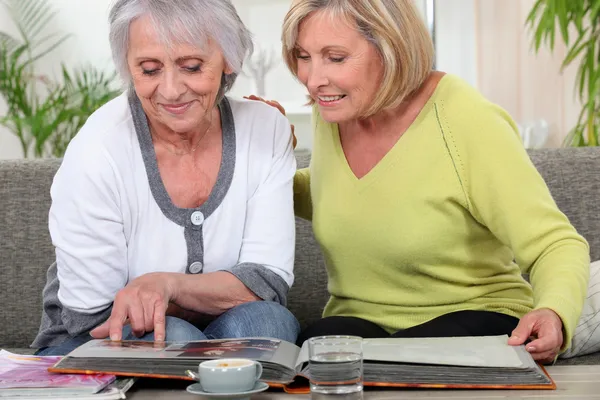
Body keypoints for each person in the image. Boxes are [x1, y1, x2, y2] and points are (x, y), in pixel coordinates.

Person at [250, 0, 590, 364]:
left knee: (409, 357)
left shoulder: (464, 117)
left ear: (390, 47)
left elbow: (554, 243)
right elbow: (342, 195)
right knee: (313, 349)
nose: (313, 79)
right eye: (304, 56)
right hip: (360, 324)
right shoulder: (335, 107)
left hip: (473, 316)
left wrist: (553, 311)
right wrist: (257, 161)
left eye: (334, 58)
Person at [31, 0, 299, 356]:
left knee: (268, 322)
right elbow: (90, 317)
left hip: (223, 329)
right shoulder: (97, 149)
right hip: (87, 344)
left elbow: (267, 284)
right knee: (172, 334)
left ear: (229, 59)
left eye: (191, 66)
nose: (171, 90)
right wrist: (210, 297)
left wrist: (165, 286)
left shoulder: (265, 130)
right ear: (128, 67)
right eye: (149, 69)